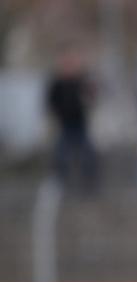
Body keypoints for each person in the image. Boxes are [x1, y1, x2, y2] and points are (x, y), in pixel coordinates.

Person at [46, 47, 99, 191]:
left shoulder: (81, 81)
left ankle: (89, 185)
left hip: (80, 124)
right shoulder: (57, 83)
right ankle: (59, 184)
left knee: (88, 155)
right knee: (61, 155)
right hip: (65, 125)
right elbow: (51, 102)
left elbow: (91, 98)